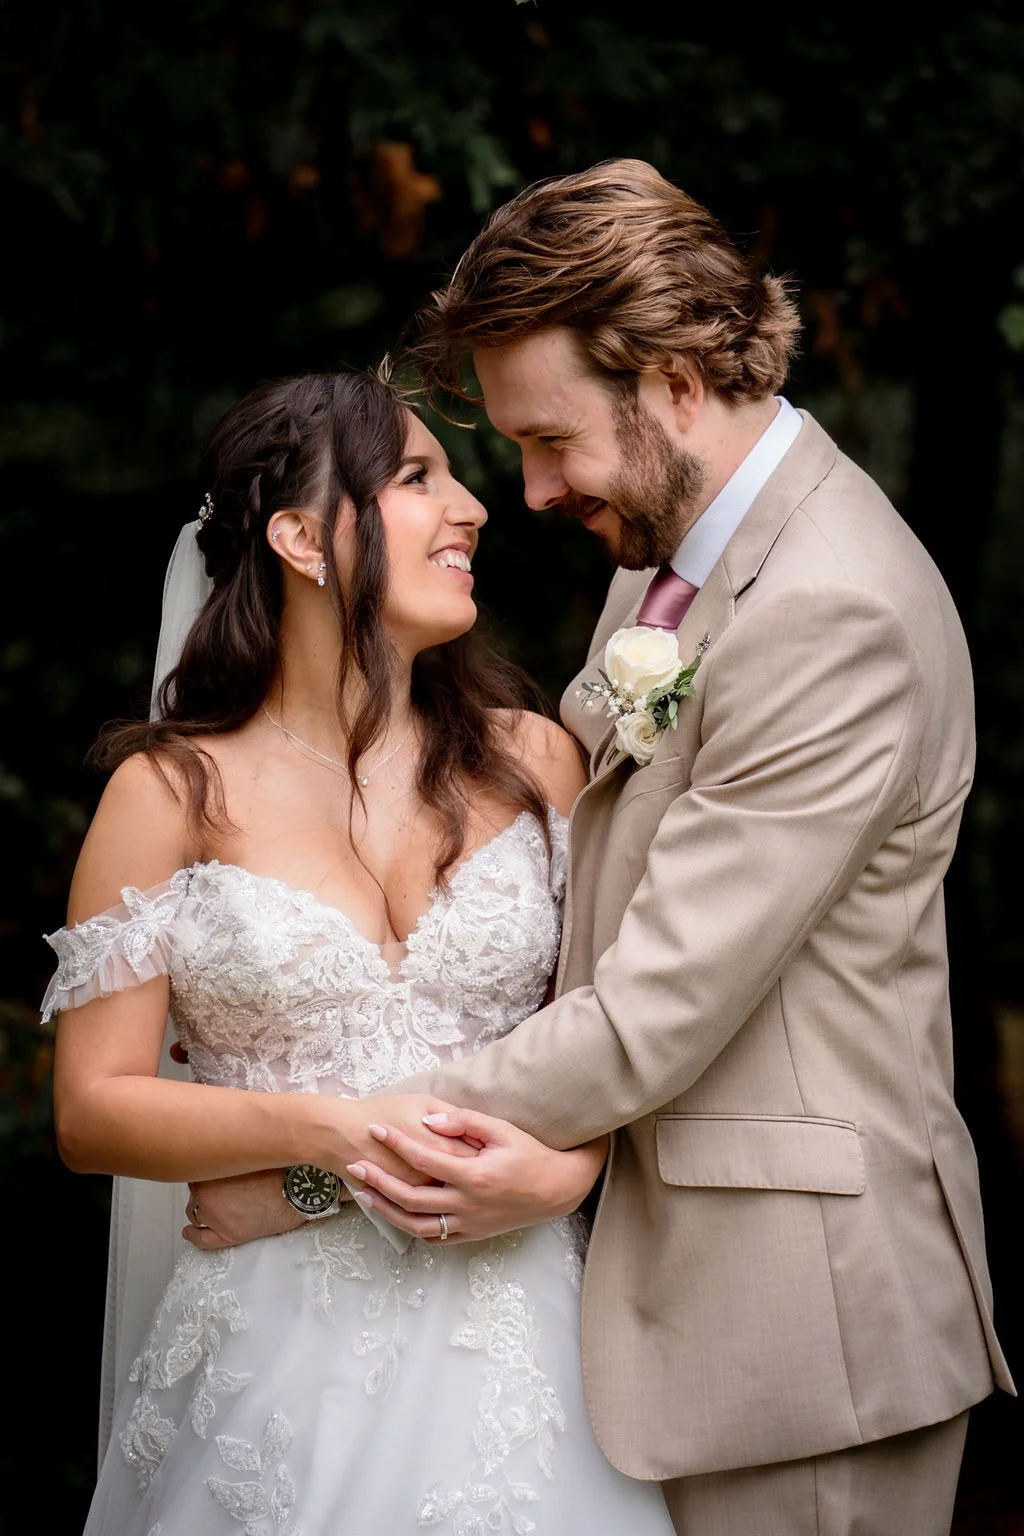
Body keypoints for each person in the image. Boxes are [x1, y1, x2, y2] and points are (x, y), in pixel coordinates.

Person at [187, 161, 1016, 1535]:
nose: (528, 490)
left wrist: (318, 1174)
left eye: (551, 441)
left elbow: (651, 1013)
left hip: (801, 1336)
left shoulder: (832, 611)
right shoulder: (671, 552)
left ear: (677, 380)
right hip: (659, 1299)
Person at [42, 368, 677, 1535]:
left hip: (521, 1330)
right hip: (266, 1354)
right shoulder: (168, 789)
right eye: (417, 478)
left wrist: (327, 1186)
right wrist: (326, 1136)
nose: (475, 506)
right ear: (298, 538)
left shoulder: (535, 760)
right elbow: (92, 1111)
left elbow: (627, 1033)